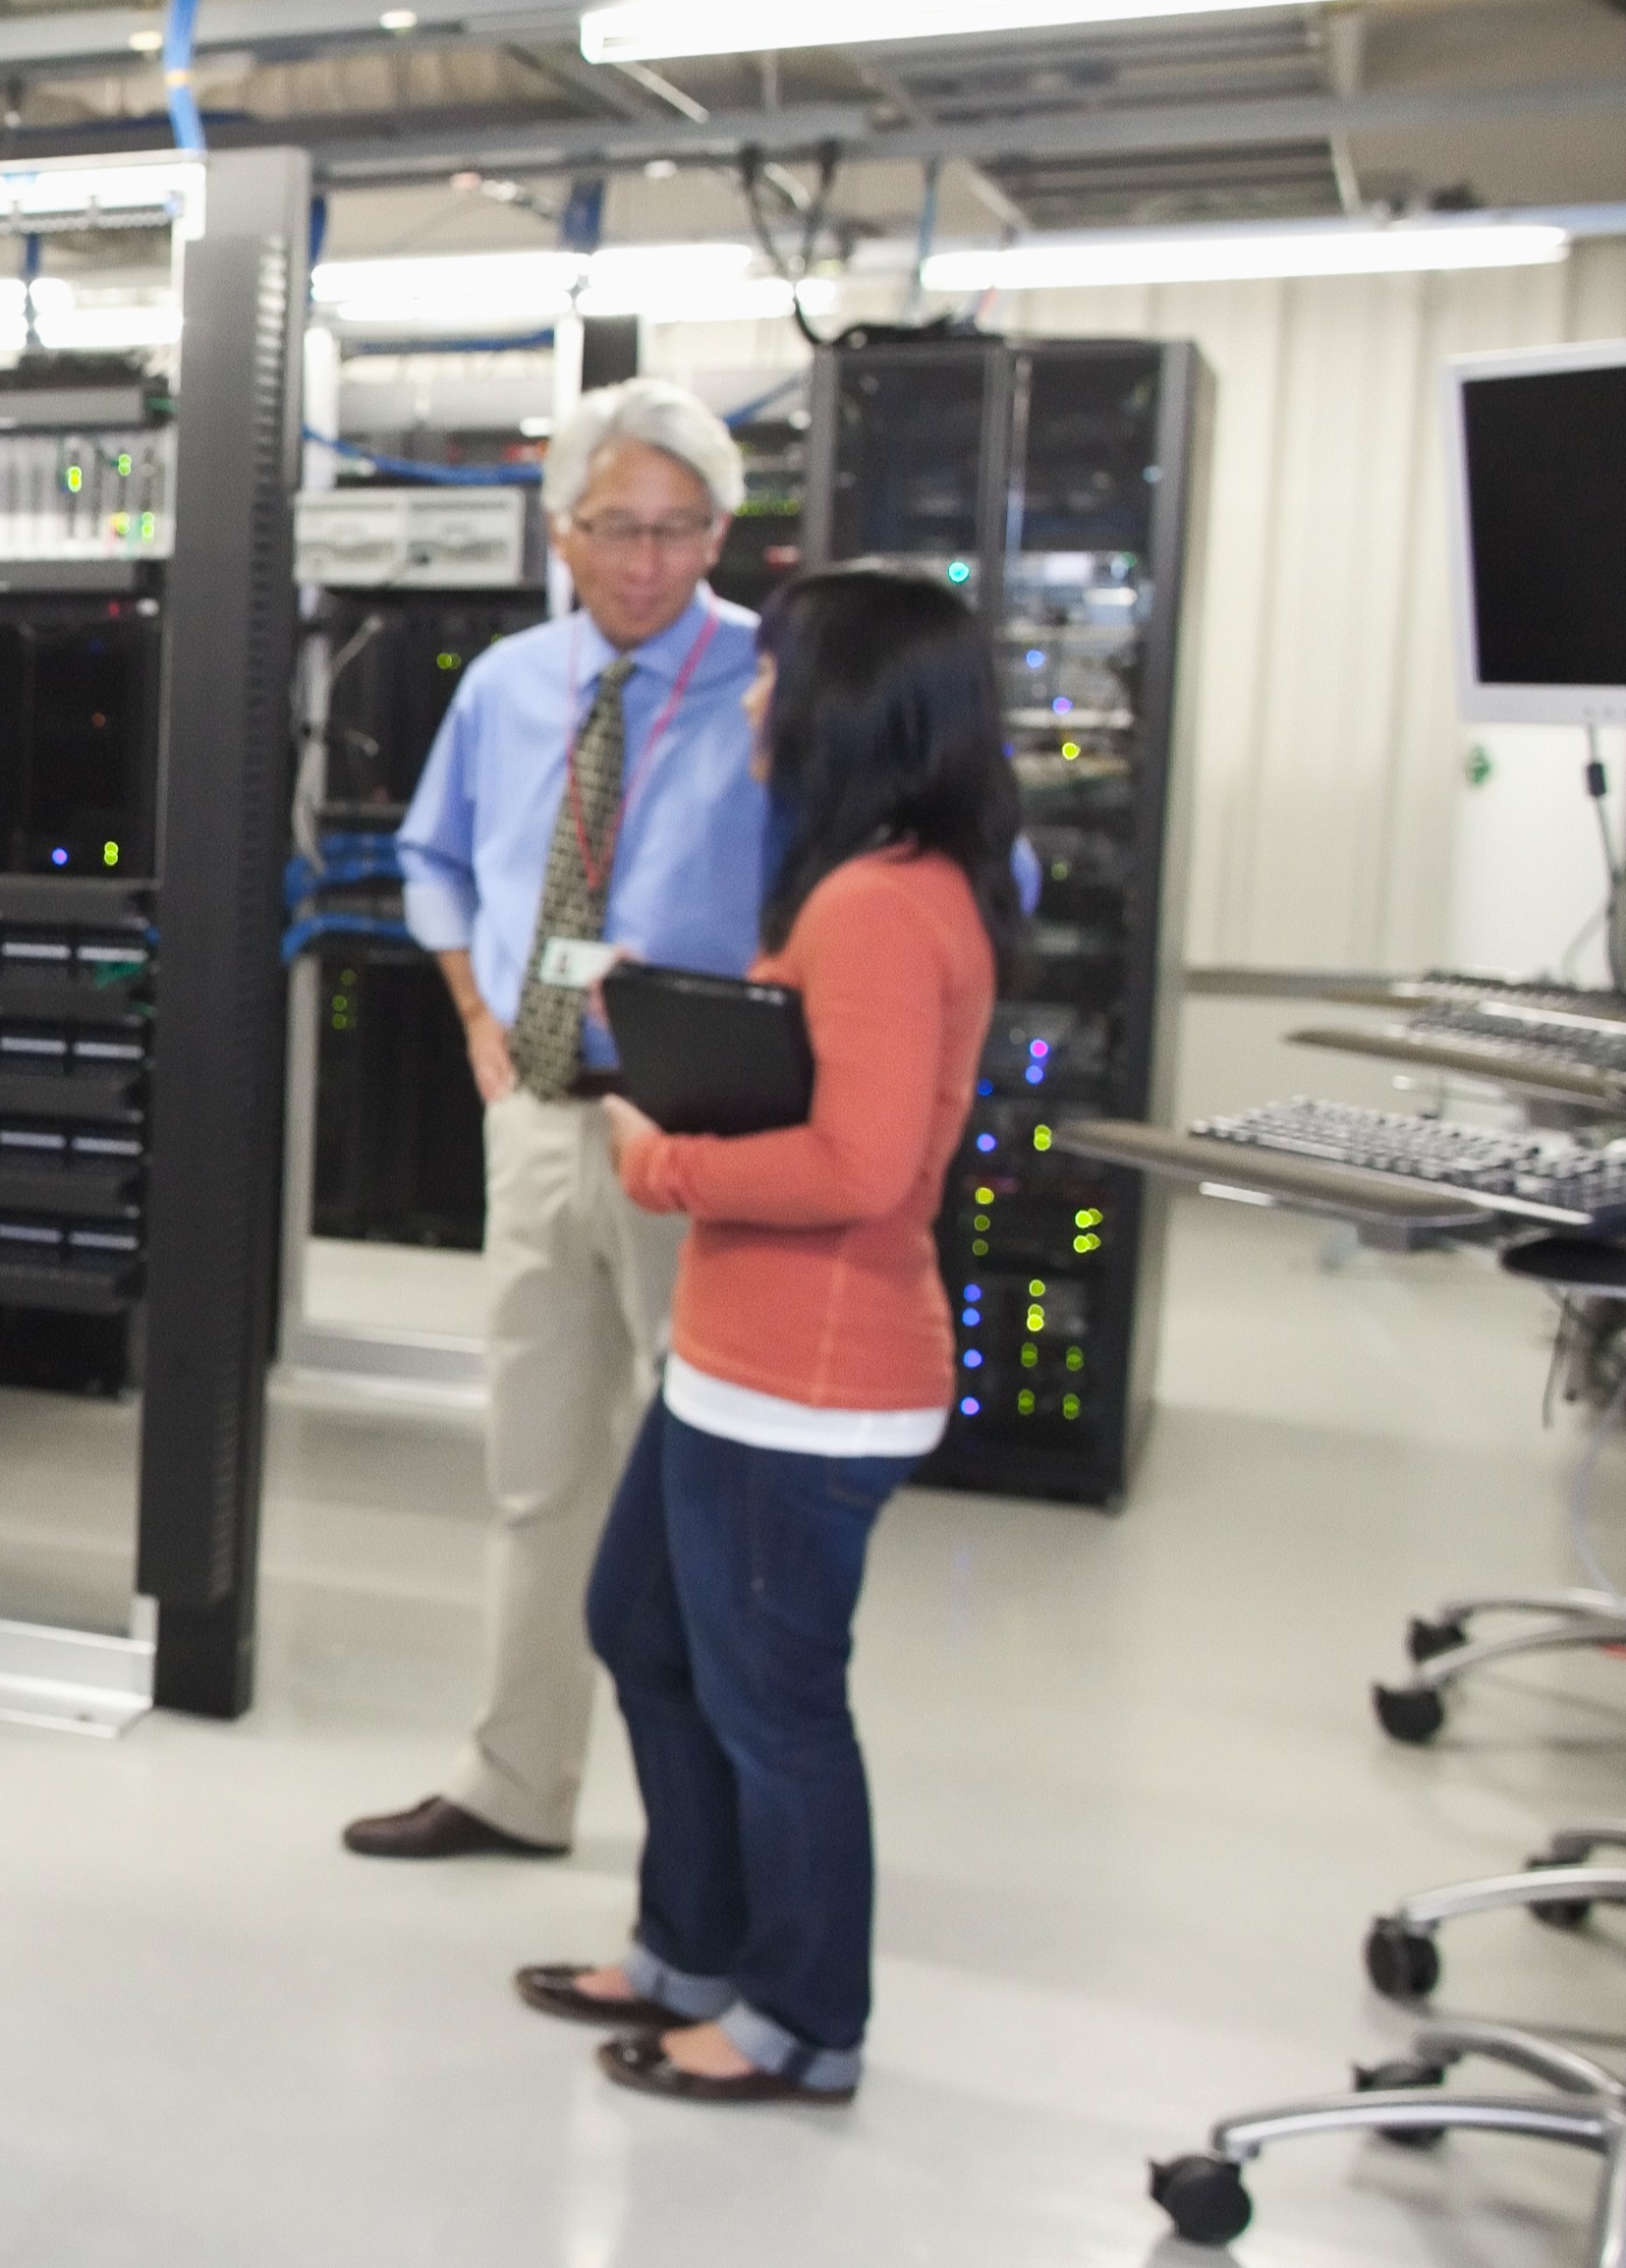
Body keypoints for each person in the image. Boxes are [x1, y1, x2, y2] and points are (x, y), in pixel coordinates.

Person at [512, 568, 1020, 2103]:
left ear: (850, 706)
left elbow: (862, 1167)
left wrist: (663, 1152)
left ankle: (800, 2019)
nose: (751, 695)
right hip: (743, 1362)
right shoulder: (886, 884)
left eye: (775, 675)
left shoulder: (874, 905)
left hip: (806, 1379)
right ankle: (691, 1946)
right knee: (643, 1628)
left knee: (773, 1704)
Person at [349, 378, 770, 1862]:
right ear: (565, 529)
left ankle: (706, 1821)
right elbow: (433, 859)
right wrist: (473, 1009)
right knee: (536, 1467)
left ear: (721, 532)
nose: (649, 561)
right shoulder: (511, 683)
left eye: (680, 531)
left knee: (706, 1479)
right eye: (618, 529)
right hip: (537, 1108)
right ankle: (516, 1781)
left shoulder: (777, 683)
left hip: (697, 1130)